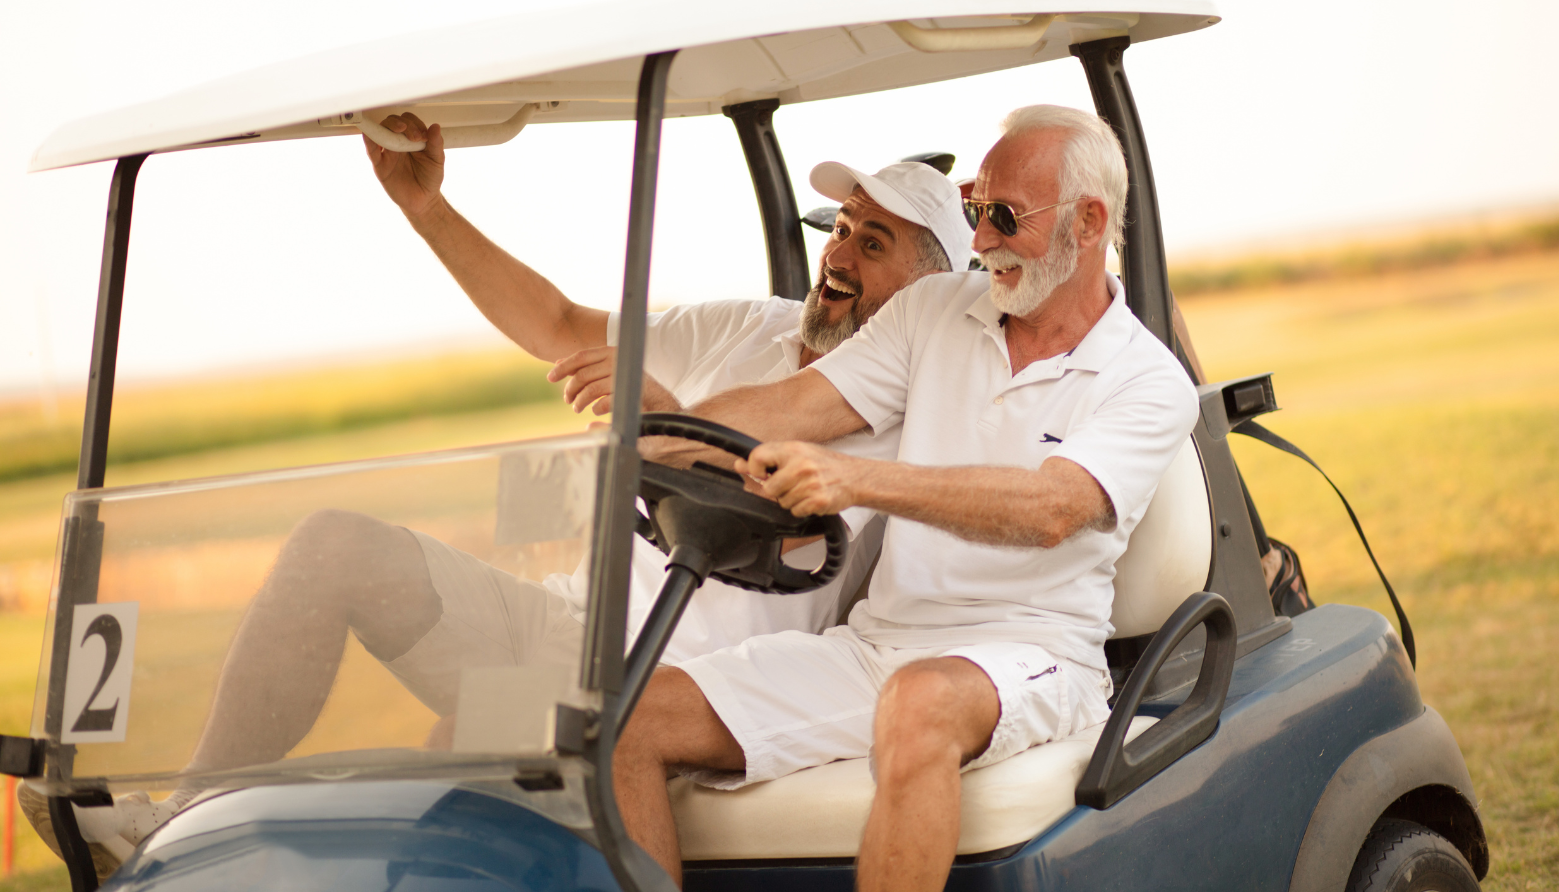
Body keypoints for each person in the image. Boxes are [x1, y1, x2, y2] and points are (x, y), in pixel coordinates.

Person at [21, 114, 972, 877]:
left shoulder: (917, 413)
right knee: (334, 544)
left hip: (691, 686)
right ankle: (177, 813)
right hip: (565, 628)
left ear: (931, 287)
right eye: (842, 227)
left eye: (874, 240)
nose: (839, 251)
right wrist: (426, 208)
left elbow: (800, 534)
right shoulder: (749, 328)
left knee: (455, 762)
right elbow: (559, 323)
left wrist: (671, 418)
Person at [612, 105, 1200, 892]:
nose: (981, 240)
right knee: (627, 717)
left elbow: (1050, 509)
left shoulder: (1147, 379)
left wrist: (858, 480)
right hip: (876, 647)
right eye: (972, 212)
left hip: (1034, 655)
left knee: (918, 702)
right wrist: (646, 440)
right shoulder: (935, 312)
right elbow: (793, 407)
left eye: (1001, 217)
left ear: (1088, 223)